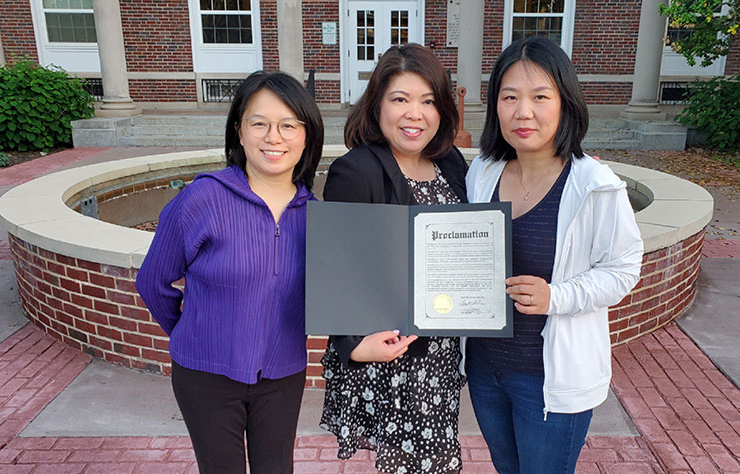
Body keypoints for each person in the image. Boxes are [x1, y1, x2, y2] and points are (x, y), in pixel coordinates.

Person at [464, 37, 644, 474]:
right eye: (509, 97)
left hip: (550, 378)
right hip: (486, 371)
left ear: (565, 103)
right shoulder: (482, 172)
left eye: (540, 96)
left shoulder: (594, 184)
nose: (523, 111)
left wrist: (555, 297)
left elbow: (623, 269)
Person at [135, 71, 324, 474]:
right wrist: (194, 331)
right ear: (239, 131)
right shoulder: (201, 199)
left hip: (282, 374)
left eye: (289, 125)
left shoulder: (317, 215)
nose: (274, 137)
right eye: (260, 123)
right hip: (206, 376)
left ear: (307, 136)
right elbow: (153, 282)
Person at [319, 43, 468, 474]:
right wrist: (351, 344)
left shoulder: (450, 163)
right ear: (377, 105)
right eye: (400, 99)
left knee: (439, 459)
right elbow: (337, 268)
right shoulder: (357, 170)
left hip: (442, 352)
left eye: (427, 101)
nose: (413, 114)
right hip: (393, 354)